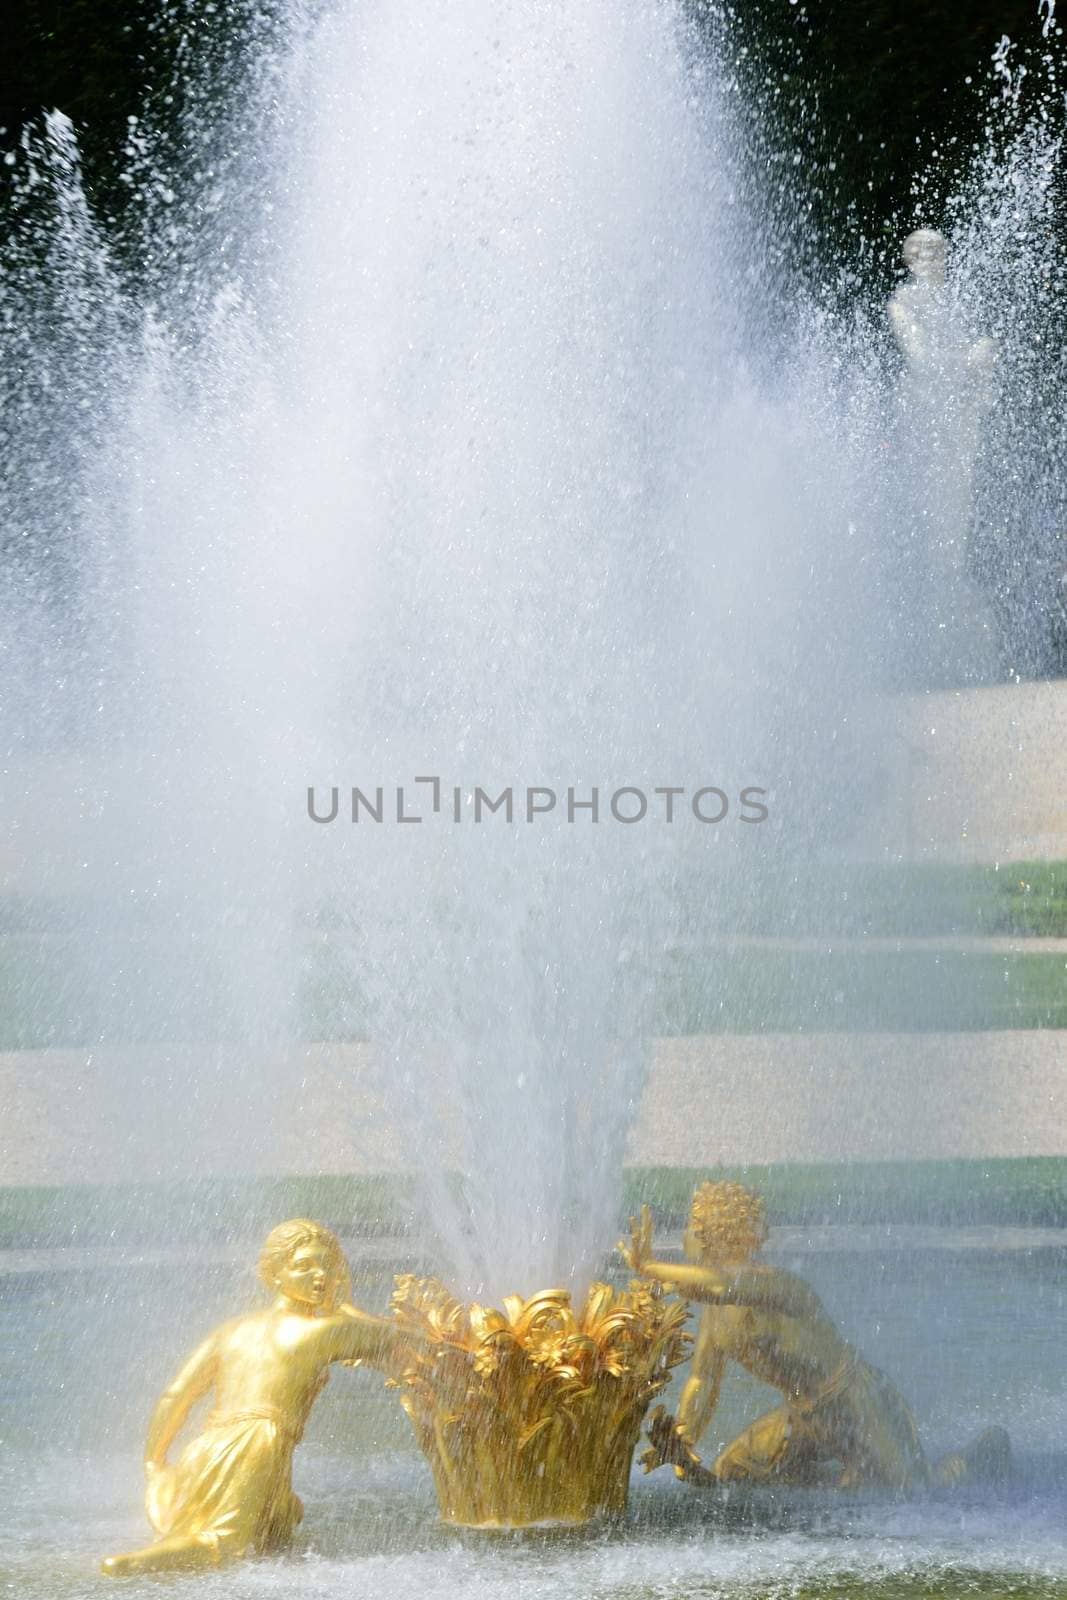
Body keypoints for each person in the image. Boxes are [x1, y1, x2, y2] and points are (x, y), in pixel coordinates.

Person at [622, 1184, 1009, 1491]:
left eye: (693, 1227)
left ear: (717, 1234)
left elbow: (724, 1286)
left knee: (916, 1493)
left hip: (856, 1402)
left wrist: (649, 1266)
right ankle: (844, 1484)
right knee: (732, 1470)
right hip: (803, 1416)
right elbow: (701, 1380)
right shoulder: (715, 1316)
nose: (687, 1237)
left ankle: (979, 1456)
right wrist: (684, 1440)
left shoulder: (778, 1287)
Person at [102, 1218, 420, 1575]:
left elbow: (176, 1396)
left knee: (277, 1532)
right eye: (304, 1266)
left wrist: (155, 1461)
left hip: (204, 1448)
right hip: (256, 1445)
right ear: (274, 1274)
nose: (321, 1276)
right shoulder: (321, 1330)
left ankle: (271, 1514)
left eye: (329, 1267)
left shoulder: (232, 1331)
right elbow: (395, 1336)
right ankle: (128, 1565)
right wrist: (343, 1303)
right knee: (224, 1546)